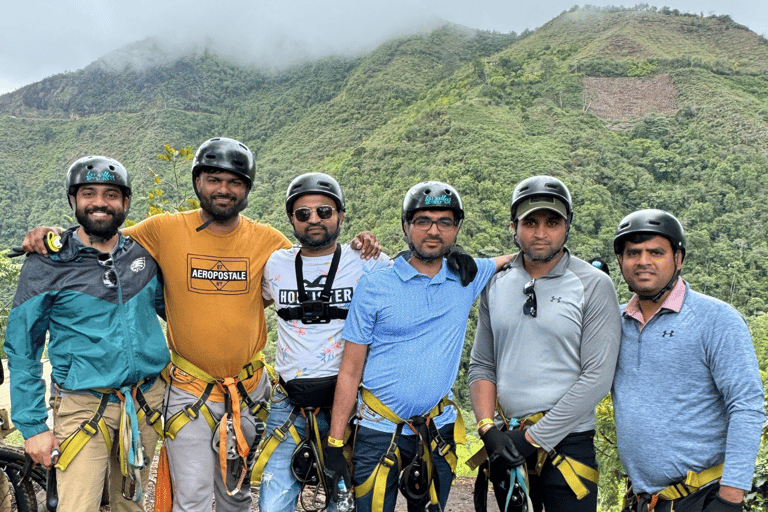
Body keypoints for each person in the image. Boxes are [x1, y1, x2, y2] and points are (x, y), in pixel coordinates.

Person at [20, 137, 380, 512]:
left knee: (236, 496)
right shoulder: (163, 231)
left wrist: (363, 245)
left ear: (247, 189)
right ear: (198, 183)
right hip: (190, 391)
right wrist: (51, 238)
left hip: (247, 390)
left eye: (235, 182)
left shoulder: (269, 243)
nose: (223, 189)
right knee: (190, 499)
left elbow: (315, 261)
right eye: (213, 179)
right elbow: (103, 233)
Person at [323, 181, 513, 512]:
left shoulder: (465, 277)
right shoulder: (375, 285)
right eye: (423, 221)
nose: (433, 231)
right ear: (406, 227)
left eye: (445, 222)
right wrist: (335, 442)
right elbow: (351, 368)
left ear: (456, 230)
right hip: (376, 428)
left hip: (436, 429)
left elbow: (523, 256)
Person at [4, 155, 169, 512]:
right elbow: (22, 349)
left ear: (125, 203)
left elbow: (176, 313)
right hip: (82, 406)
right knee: (78, 505)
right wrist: (32, 426)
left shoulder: (145, 254)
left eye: (111, 194)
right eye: (88, 193)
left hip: (143, 404)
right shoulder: (48, 263)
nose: (99, 202)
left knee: (131, 506)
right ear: (73, 202)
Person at [468, 175, 622, 512]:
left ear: (567, 227)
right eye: (530, 222)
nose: (541, 232)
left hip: (569, 444)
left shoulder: (593, 284)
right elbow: (483, 364)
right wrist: (486, 428)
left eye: (552, 222)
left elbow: (597, 377)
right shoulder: (496, 282)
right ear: (514, 226)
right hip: (508, 440)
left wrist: (534, 438)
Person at [254, 172, 391, 512]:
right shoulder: (275, 264)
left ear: (341, 216)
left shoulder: (368, 261)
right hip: (290, 401)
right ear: (291, 220)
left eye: (324, 212)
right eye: (303, 214)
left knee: (343, 502)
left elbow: (412, 289)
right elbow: (247, 304)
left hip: (350, 402)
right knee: (273, 501)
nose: (314, 219)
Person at [612, 209, 764, 512]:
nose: (643, 261)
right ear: (621, 261)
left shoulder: (717, 319)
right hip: (643, 499)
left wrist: (731, 496)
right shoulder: (613, 323)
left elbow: (746, 405)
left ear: (678, 259)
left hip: (703, 497)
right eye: (633, 253)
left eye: (656, 252)